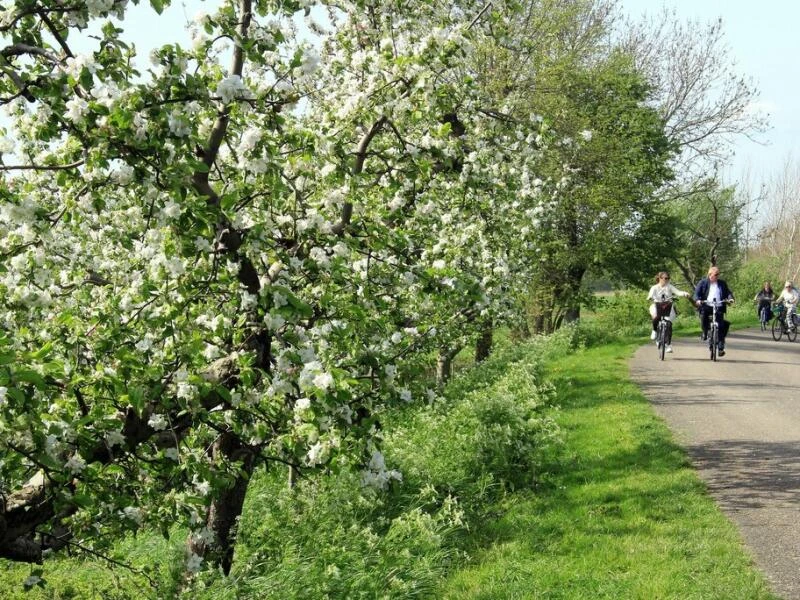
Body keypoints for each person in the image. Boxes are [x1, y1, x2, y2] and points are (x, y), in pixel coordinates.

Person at [693, 266, 735, 357]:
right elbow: (696, 293)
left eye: (718, 274)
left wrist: (730, 299)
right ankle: (704, 332)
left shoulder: (722, 283)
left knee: (721, 326)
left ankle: (720, 348)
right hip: (707, 305)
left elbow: (728, 293)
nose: (717, 276)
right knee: (704, 316)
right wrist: (698, 300)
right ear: (710, 274)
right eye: (716, 274)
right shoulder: (703, 282)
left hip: (719, 306)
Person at [646, 271, 691, 353]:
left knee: (669, 324)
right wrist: (650, 298)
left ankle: (668, 345)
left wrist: (685, 293)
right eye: (665, 278)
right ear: (659, 278)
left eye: (668, 278)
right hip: (657, 305)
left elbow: (678, 292)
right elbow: (650, 295)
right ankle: (655, 330)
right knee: (656, 316)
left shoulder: (669, 286)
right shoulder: (654, 287)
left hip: (667, 306)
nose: (667, 280)